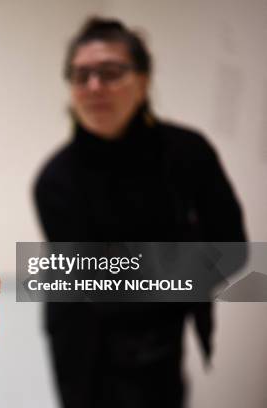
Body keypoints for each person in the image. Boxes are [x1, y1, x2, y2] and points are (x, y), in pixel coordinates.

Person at [33, 17, 246, 408]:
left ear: (144, 81)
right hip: (82, 342)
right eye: (81, 76)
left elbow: (233, 248)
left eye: (110, 72)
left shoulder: (188, 153)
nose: (94, 86)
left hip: (160, 344)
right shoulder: (55, 179)